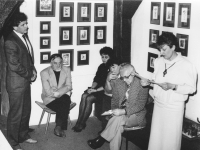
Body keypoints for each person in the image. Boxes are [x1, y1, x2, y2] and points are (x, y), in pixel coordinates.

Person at [144, 32, 197, 150]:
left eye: (163, 49)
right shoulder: (158, 62)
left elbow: (192, 89)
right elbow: (155, 79)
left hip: (174, 108)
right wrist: (148, 83)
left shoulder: (186, 65)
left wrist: (174, 86)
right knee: (156, 140)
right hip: (158, 105)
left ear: (173, 47)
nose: (161, 53)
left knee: (170, 141)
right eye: (159, 49)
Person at [87, 63, 149, 150]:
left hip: (136, 115)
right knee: (118, 127)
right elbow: (115, 100)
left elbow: (140, 106)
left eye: (126, 77)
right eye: (122, 77)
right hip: (121, 114)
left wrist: (123, 112)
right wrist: (114, 111)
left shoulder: (142, 84)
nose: (125, 80)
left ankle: (101, 139)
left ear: (133, 73)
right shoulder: (120, 82)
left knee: (118, 118)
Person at [5, 12, 37, 150]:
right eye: (23, 24)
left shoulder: (23, 36)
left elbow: (28, 57)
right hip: (16, 84)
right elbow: (14, 65)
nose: (27, 26)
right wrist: (29, 75)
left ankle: (23, 135)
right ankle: (12, 142)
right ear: (14, 27)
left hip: (25, 81)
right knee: (15, 114)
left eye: (26, 23)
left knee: (25, 111)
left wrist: (33, 69)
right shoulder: (10, 41)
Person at [72, 46, 113, 132]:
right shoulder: (101, 66)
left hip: (105, 91)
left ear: (110, 57)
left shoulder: (113, 68)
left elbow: (108, 85)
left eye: (106, 57)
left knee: (89, 98)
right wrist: (92, 88)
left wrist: (95, 90)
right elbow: (96, 79)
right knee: (84, 95)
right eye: (102, 57)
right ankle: (79, 122)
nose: (104, 59)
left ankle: (82, 123)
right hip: (97, 89)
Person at [40, 54, 72, 138]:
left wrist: (58, 92)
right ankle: (60, 127)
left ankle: (58, 127)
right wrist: (63, 91)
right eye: (55, 63)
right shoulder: (44, 72)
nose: (58, 65)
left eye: (60, 62)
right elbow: (47, 92)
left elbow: (69, 86)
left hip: (61, 96)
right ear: (51, 62)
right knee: (65, 101)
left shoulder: (66, 70)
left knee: (64, 100)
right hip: (49, 98)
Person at [100, 58, 121, 132]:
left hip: (118, 99)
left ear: (120, 66)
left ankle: (108, 131)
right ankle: (104, 130)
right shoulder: (110, 74)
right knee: (105, 113)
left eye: (114, 67)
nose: (112, 70)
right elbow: (108, 91)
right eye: (111, 67)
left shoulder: (124, 74)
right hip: (109, 97)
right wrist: (107, 81)